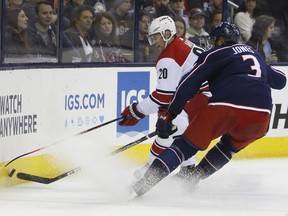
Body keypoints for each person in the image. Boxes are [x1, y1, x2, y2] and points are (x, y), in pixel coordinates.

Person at [131, 22, 286, 197]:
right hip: (262, 116)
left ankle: (143, 184)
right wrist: (265, 67)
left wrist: (169, 113)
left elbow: (189, 83)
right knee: (228, 148)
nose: (212, 44)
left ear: (221, 40)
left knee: (183, 147)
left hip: (226, 107)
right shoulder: (255, 54)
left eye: (214, 40)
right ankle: (192, 179)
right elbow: (281, 81)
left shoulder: (215, 53)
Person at [119, 15, 209, 180]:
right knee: (175, 126)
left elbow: (163, 97)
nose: (154, 43)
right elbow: (171, 94)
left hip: (205, 98)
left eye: (156, 37)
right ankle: (188, 169)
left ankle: (150, 171)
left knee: (167, 125)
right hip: (209, 95)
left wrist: (136, 110)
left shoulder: (169, 56)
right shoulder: (182, 43)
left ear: (167, 34)